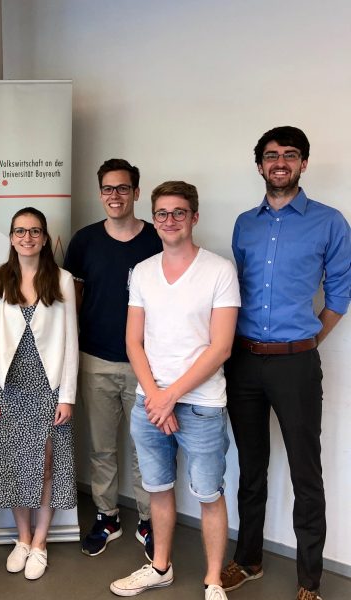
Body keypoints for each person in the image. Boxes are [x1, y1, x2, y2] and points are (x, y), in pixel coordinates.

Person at [221, 126, 351, 600]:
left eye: (290, 155)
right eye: (272, 155)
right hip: (244, 362)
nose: (280, 163)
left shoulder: (330, 222)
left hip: (296, 365)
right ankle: (248, 560)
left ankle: (309, 580)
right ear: (259, 165)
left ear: (303, 164)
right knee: (250, 468)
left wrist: (309, 339)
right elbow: (234, 290)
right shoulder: (244, 224)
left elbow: (340, 293)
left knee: (305, 472)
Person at [110, 181, 240, 600]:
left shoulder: (219, 270)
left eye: (179, 212)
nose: (170, 220)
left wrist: (170, 397)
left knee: (209, 495)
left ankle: (214, 580)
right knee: (158, 489)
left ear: (194, 217)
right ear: (154, 219)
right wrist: (156, 396)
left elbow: (220, 347)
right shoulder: (143, 271)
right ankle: (160, 567)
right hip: (150, 403)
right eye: (162, 213)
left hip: (201, 405)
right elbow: (133, 341)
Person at [63, 158, 163, 558]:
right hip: (96, 360)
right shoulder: (84, 241)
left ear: (136, 192)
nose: (115, 195)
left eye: (123, 188)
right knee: (101, 448)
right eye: (108, 188)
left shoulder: (158, 239)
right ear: (100, 193)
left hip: (147, 365)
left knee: (146, 449)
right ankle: (107, 516)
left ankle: (149, 521)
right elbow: (74, 300)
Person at [0, 206, 78, 580]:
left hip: (48, 385)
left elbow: (70, 341)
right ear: (11, 237)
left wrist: (67, 395)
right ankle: (22, 537)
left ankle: (40, 542)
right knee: (14, 463)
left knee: (46, 464)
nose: (27, 237)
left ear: (45, 237)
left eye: (35, 231)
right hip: (8, 385)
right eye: (20, 231)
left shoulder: (62, 279)